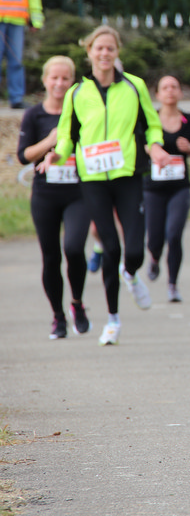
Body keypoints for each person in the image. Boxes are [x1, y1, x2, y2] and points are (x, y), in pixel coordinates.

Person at [40, 26, 170, 346]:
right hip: (93, 179)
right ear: (89, 52)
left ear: (117, 52)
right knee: (111, 248)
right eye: (99, 48)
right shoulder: (77, 93)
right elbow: (68, 136)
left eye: (110, 48)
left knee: (134, 250)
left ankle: (131, 274)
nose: (105, 53)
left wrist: (155, 147)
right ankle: (113, 319)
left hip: (128, 175)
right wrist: (57, 155)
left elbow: (152, 126)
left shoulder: (134, 86)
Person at [17, 56, 91, 339]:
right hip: (45, 194)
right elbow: (24, 155)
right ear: (45, 80)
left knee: (74, 248)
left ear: (73, 82)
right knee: (51, 257)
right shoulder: (34, 115)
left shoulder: (81, 112)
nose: (59, 84)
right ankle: (58, 317)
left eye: (65, 78)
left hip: (77, 192)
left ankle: (77, 303)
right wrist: (50, 141)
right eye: (54, 78)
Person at [144, 75, 190, 303]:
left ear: (180, 92)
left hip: (179, 188)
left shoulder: (189, 121)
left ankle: (172, 285)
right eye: (165, 87)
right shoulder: (150, 120)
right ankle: (154, 257)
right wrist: (151, 150)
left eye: (174, 87)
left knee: (174, 234)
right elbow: (139, 146)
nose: (170, 91)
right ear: (158, 94)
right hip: (152, 188)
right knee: (155, 239)